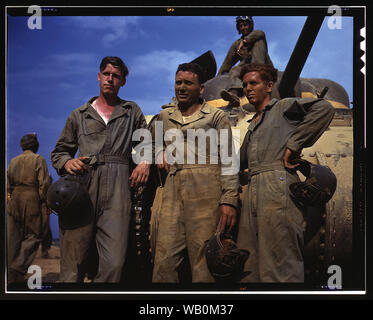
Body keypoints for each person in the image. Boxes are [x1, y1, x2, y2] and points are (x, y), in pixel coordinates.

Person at [51, 56, 150, 283]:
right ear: (98, 77)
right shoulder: (79, 114)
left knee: (114, 263)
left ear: (123, 81)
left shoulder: (131, 111)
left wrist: (144, 162)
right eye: (106, 74)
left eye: (116, 76)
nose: (110, 79)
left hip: (118, 187)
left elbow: (146, 143)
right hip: (82, 187)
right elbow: (60, 152)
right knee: (73, 264)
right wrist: (67, 162)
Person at [237, 63, 335, 282]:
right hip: (253, 189)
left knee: (280, 266)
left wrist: (294, 144)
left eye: (254, 83)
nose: (248, 89)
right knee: (249, 269)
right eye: (245, 85)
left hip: (277, 189)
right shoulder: (252, 125)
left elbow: (324, 108)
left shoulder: (282, 108)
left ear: (269, 86)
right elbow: (238, 162)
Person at [152, 62, 239, 283]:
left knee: (203, 263)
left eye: (188, 83)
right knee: (164, 261)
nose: (181, 87)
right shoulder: (164, 116)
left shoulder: (216, 117)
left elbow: (229, 159)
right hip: (173, 191)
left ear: (201, 89)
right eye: (178, 82)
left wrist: (229, 200)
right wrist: (159, 151)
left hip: (206, 190)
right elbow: (148, 142)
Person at [7, 133, 51, 283]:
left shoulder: (13, 161)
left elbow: (7, 184)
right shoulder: (38, 159)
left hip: (14, 197)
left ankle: (11, 272)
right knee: (35, 234)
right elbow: (44, 184)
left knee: (13, 236)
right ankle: (18, 267)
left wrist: (10, 200)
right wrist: (44, 202)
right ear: (35, 145)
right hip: (31, 197)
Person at [218, 16, 273, 107]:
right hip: (246, 68)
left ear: (250, 25)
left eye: (245, 24)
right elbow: (227, 62)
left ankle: (256, 75)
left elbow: (260, 33)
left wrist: (244, 42)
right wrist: (218, 77)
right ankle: (234, 95)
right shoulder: (237, 44)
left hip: (263, 67)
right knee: (235, 70)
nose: (243, 28)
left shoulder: (258, 36)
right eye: (240, 26)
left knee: (258, 42)